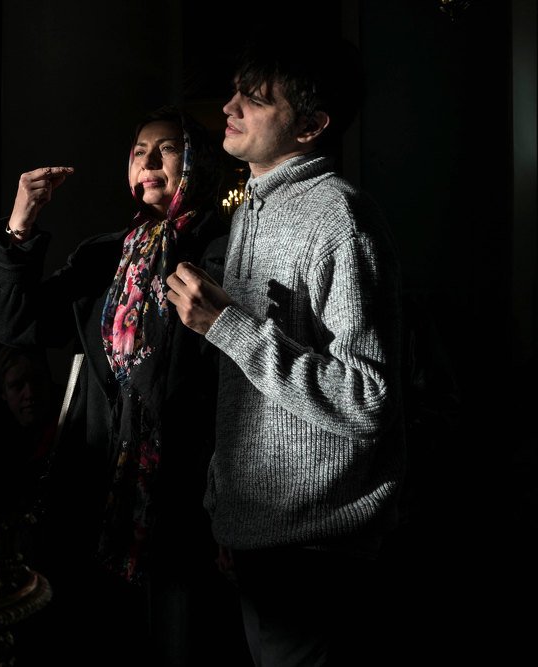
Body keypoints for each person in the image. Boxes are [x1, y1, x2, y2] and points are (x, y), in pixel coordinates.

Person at [165, 35, 406, 666]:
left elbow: (367, 400)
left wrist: (227, 327)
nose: (230, 107)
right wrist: (230, 510)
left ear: (310, 126)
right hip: (258, 538)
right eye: (235, 91)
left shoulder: (337, 218)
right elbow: (245, 391)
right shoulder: (251, 211)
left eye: (255, 98)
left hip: (318, 551)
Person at [0, 106, 246, 665]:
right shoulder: (107, 256)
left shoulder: (225, 250)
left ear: (198, 160)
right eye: (138, 151)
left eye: (167, 149)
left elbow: (233, 384)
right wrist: (20, 224)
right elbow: (17, 323)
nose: (148, 161)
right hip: (100, 492)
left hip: (185, 497)